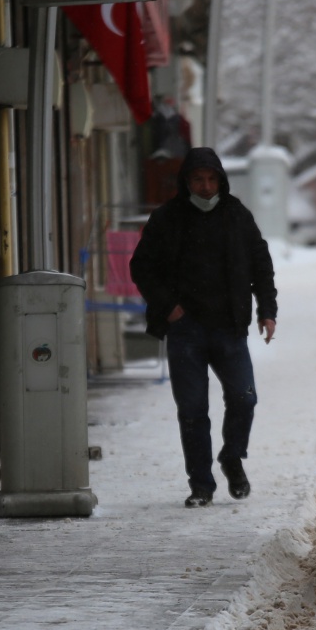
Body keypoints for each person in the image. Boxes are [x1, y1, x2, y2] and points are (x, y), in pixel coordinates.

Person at [130, 147, 278, 507]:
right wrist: (168, 308)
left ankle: (232, 457)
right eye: (198, 179)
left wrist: (267, 310)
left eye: (212, 179)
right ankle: (201, 486)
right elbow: (141, 266)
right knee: (193, 410)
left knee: (244, 398)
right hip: (186, 331)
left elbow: (261, 264)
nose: (206, 186)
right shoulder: (167, 218)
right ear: (187, 181)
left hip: (230, 327)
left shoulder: (237, 215)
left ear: (221, 180)